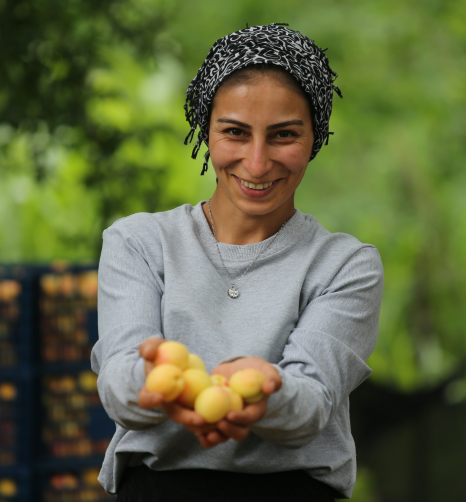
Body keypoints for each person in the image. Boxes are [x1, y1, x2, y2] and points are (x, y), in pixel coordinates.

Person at [91, 23, 384, 501]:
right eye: (235, 132)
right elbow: (120, 384)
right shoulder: (139, 242)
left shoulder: (345, 265)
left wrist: (267, 390)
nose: (256, 161)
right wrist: (156, 385)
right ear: (206, 131)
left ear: (316, 138)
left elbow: (310, 406)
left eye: (283, 135)